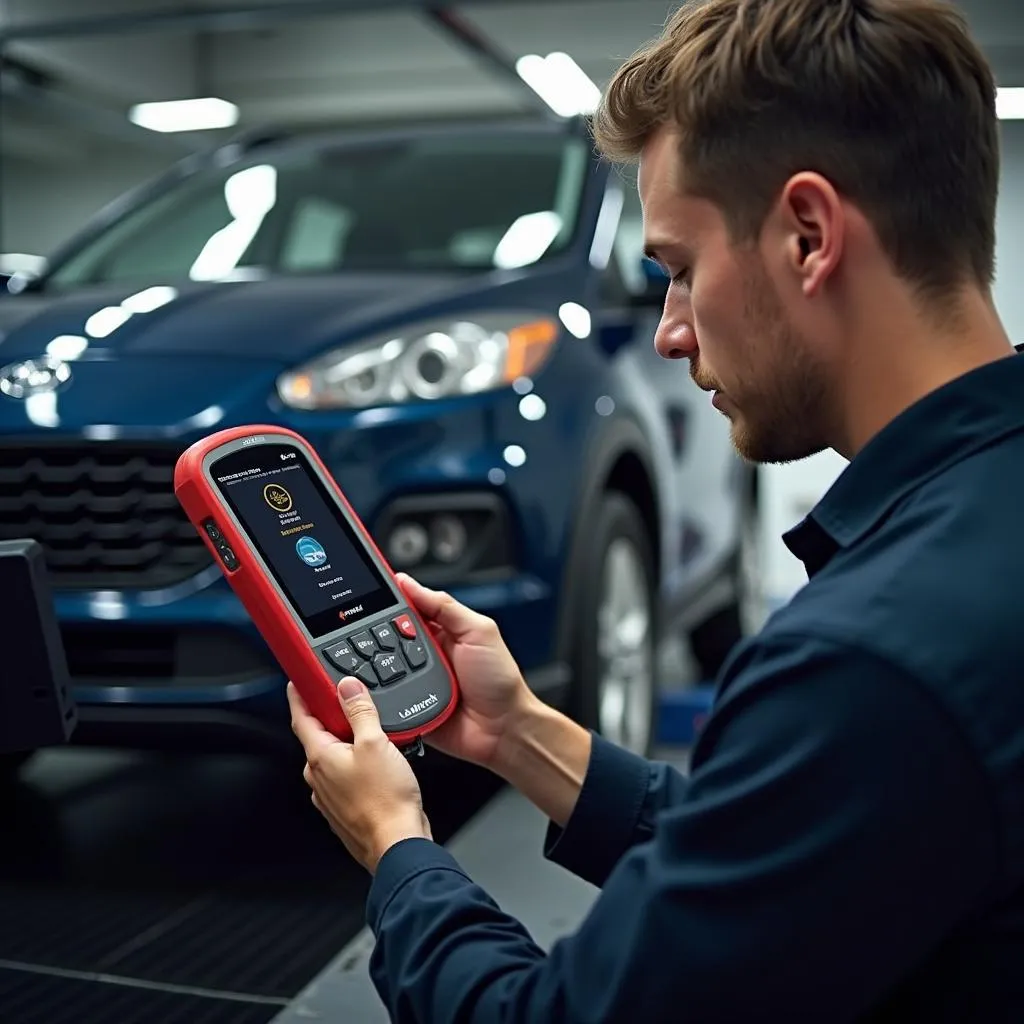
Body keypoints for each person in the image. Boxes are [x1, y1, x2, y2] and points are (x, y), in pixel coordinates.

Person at [287, 0, 1024, 1019]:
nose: (671, 334)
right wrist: (519, 736)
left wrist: (396, 847)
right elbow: (796, 848)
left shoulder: (870, 658)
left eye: (679, 270)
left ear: (807, 236)